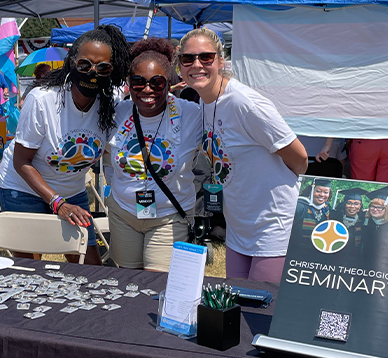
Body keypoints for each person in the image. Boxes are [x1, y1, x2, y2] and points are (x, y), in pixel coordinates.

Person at [176, 28, 308, 282]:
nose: (197, 65)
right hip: (238, 227)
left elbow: (300, 159)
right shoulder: (204, 101)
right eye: (188, 59)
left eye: (206, 57)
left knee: (261, 312)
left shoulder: (245, 103)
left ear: (220, 61)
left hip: (273, 226)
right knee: (236, 308)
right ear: (179, 66)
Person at [0, 25, 131, 264]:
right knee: (29, 267)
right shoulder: (42, 100)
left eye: (103, 68)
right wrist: (57, 203)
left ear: (112, 71)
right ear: (71, 63)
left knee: (89, 263)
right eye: (84, 65)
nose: (92, 73)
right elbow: (21, 162)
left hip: (72, 190)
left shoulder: (109, 105)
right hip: (23, 187)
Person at [105, 37, 201, 272]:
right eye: (139, 82)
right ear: (129, 83)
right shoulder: (116, 113)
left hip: (169, 217)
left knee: (156, 285)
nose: (147, 90)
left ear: (169, 83)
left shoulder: (192, 114)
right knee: (127, 283)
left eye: (157, 83)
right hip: (123, 214)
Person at [293, 179, 332, 249]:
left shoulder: (326, 207)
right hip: (297, 251)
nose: (322, 195)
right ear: (311, 191)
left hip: (318, 251)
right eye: (318, 191)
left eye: (326, 192)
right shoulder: (299, 206)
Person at [332, 189, 366, 256]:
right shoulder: (335, 217)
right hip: (335, 256)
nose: (352, 206)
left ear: (360, 206)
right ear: (344, 204)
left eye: (356, 204)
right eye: (349, 203)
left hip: (354, 258)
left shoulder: (363, 220)